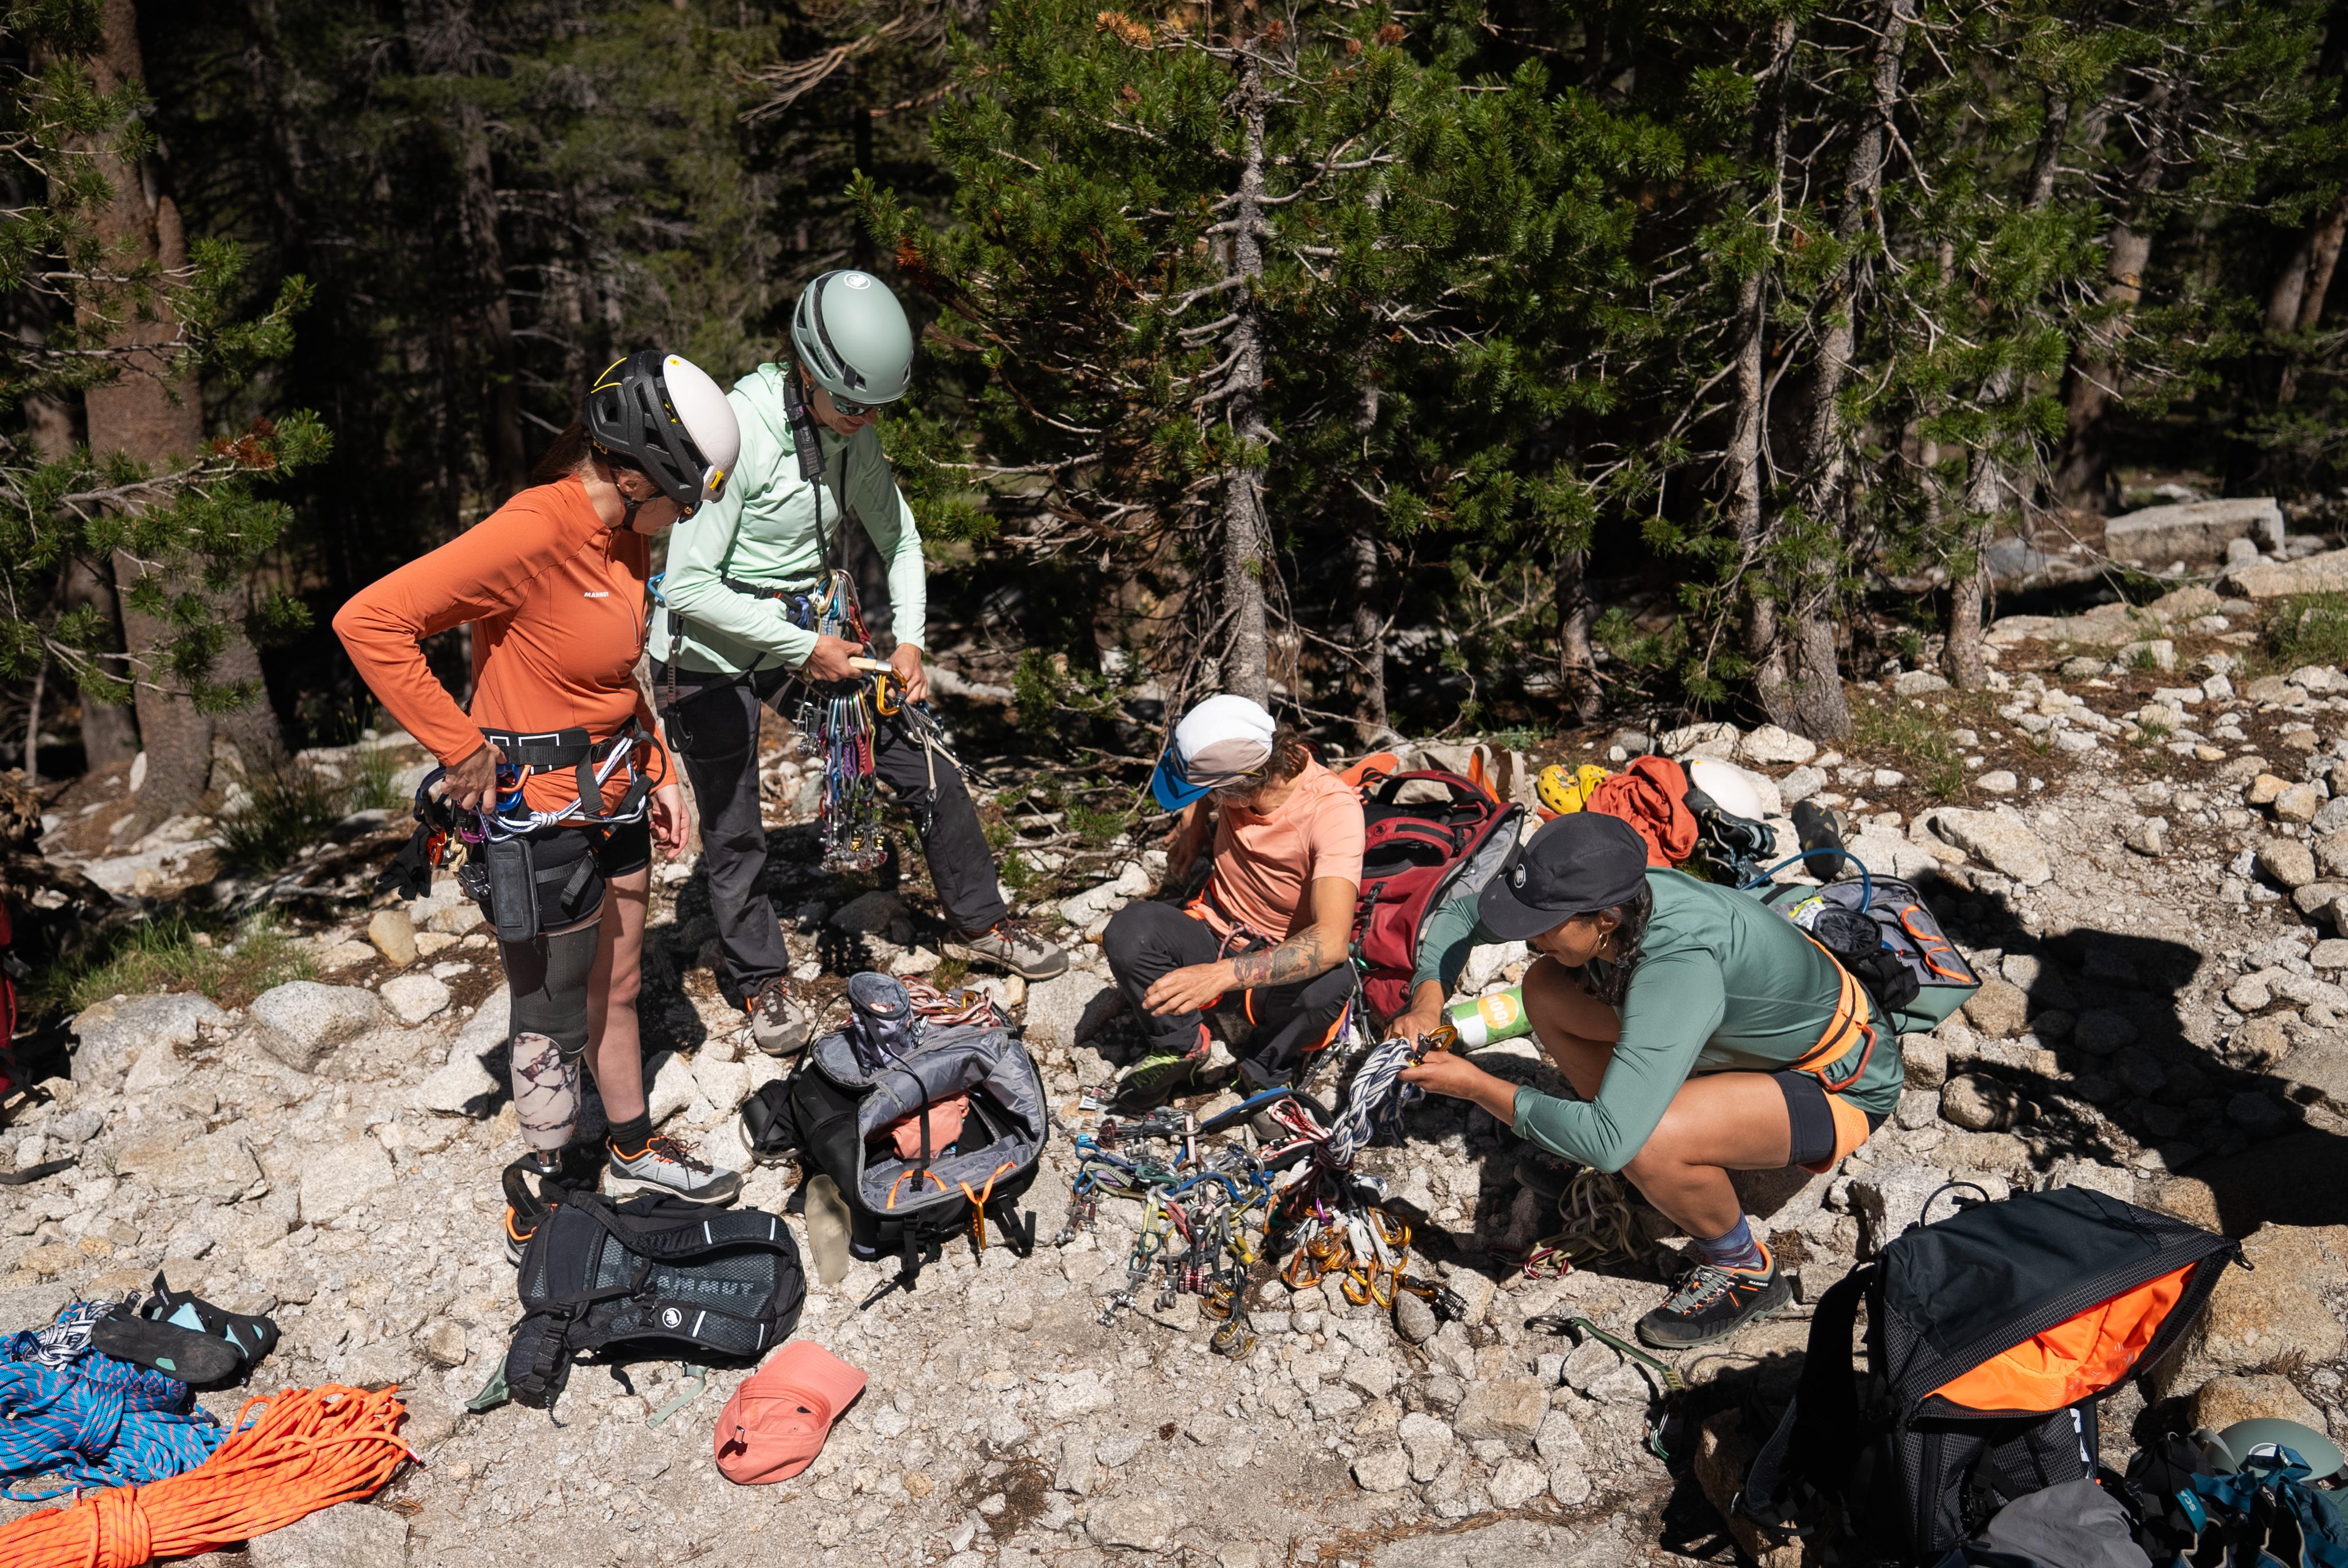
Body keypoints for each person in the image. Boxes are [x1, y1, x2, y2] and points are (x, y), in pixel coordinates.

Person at [336, 351, 748, 1235]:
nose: (689, 516)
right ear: (640, 471)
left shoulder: (628, 535)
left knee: (622, 985)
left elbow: (615, 673)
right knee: (552, 1012)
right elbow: (370, 621)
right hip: (539, 815)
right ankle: (551, 1192)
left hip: (617, 793)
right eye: (688, 494)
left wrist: (663, 768)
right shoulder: (534, 530)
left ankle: (632, 1147)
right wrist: (458, 744)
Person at [651, 269, 1064, 1057]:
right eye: (850, 404)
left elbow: (901, 539)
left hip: (801, 631)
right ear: (806, 368)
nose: (863, 420)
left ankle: (979, 920)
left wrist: (907, 640)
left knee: (921, 756)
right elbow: (689, 583)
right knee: (736, 824)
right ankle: (759, 979)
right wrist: (807, 648)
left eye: (876, 407)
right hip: (702, 650)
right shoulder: (738, 433)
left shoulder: (852, 435)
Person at [1396, 811, 1904, 1349]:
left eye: (1543, 924)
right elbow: (1459, 914)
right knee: (1544, 987)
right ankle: (1640, 1144)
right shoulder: (1599, 895)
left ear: (1607, 920)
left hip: (1836, 1080)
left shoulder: (1678, 965)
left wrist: (1474, 1084)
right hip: (1744, 1040)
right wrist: (1429, 1000)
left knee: (1641, 1141)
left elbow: (1611, 1142)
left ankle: (1745, 1271)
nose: (1529, 936)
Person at [1104, 693, 1364, 1101]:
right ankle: (1180, 1045)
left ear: (1241, 786)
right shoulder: (1253, 762)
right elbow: (1211, 788)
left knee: (1329, 985)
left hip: (1279, 956)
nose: (1209, 798)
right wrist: (1195, 826)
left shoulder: (1333, 814)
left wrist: (1220, 975)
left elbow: (1331, 942)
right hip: (1216, 928)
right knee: (1129, 929)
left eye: (1212, 792)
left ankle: (1265, 1069)